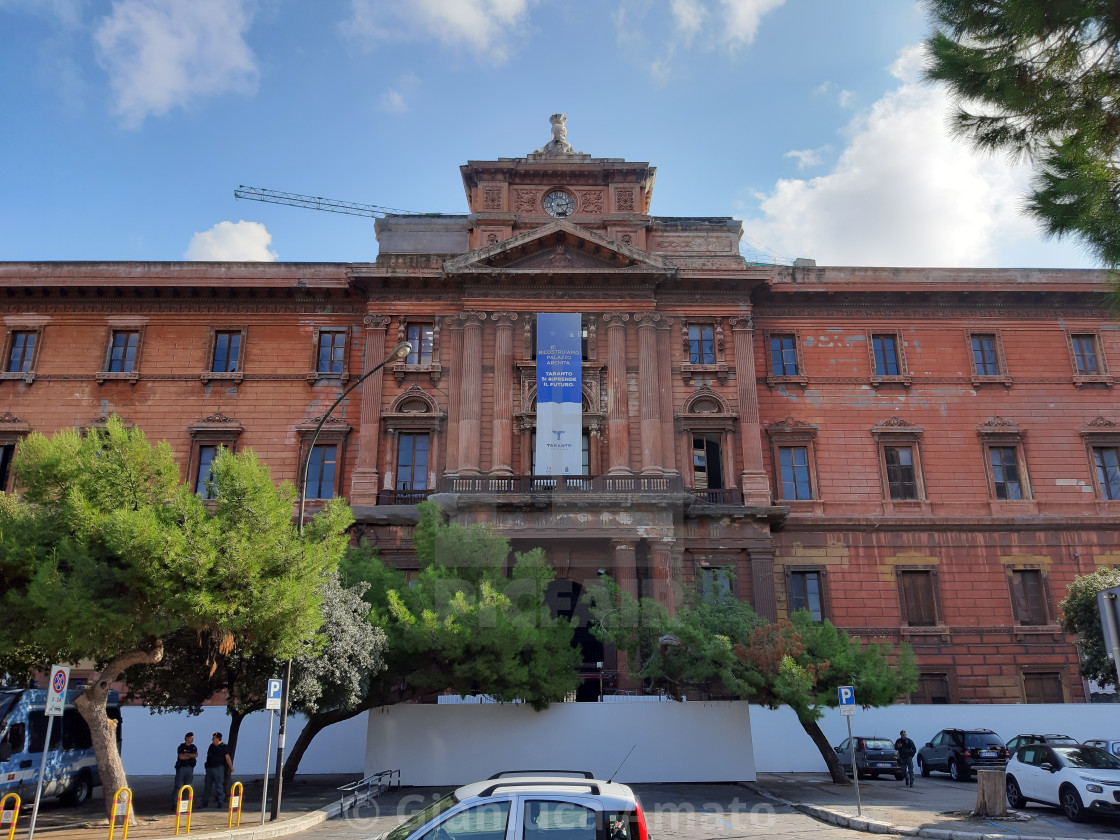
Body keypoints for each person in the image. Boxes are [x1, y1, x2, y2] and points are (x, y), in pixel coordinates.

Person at [201, 732, 234, 808]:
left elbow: (227, 757)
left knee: (219, 785)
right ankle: (204, 803)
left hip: (218, 768)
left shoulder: (223, 747)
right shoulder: (211, 746)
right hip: (209, 768)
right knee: (207, 786)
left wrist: (231, 767)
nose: (213, 739)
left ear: (218, 738)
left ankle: (220, 802)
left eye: (214, 738)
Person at [173, 732, 197, 800]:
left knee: (188, 786)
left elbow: (195, 755)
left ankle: (186, 802)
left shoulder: (193, 747)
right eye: (191, 738)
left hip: (190, 768)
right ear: (187, 738)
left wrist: (186, 754)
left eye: (193, 738)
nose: (192, 739)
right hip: (182, 768)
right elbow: (181, 757)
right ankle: (176, 802)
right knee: (178, 785)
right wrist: (190, 755)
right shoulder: (181, 747)